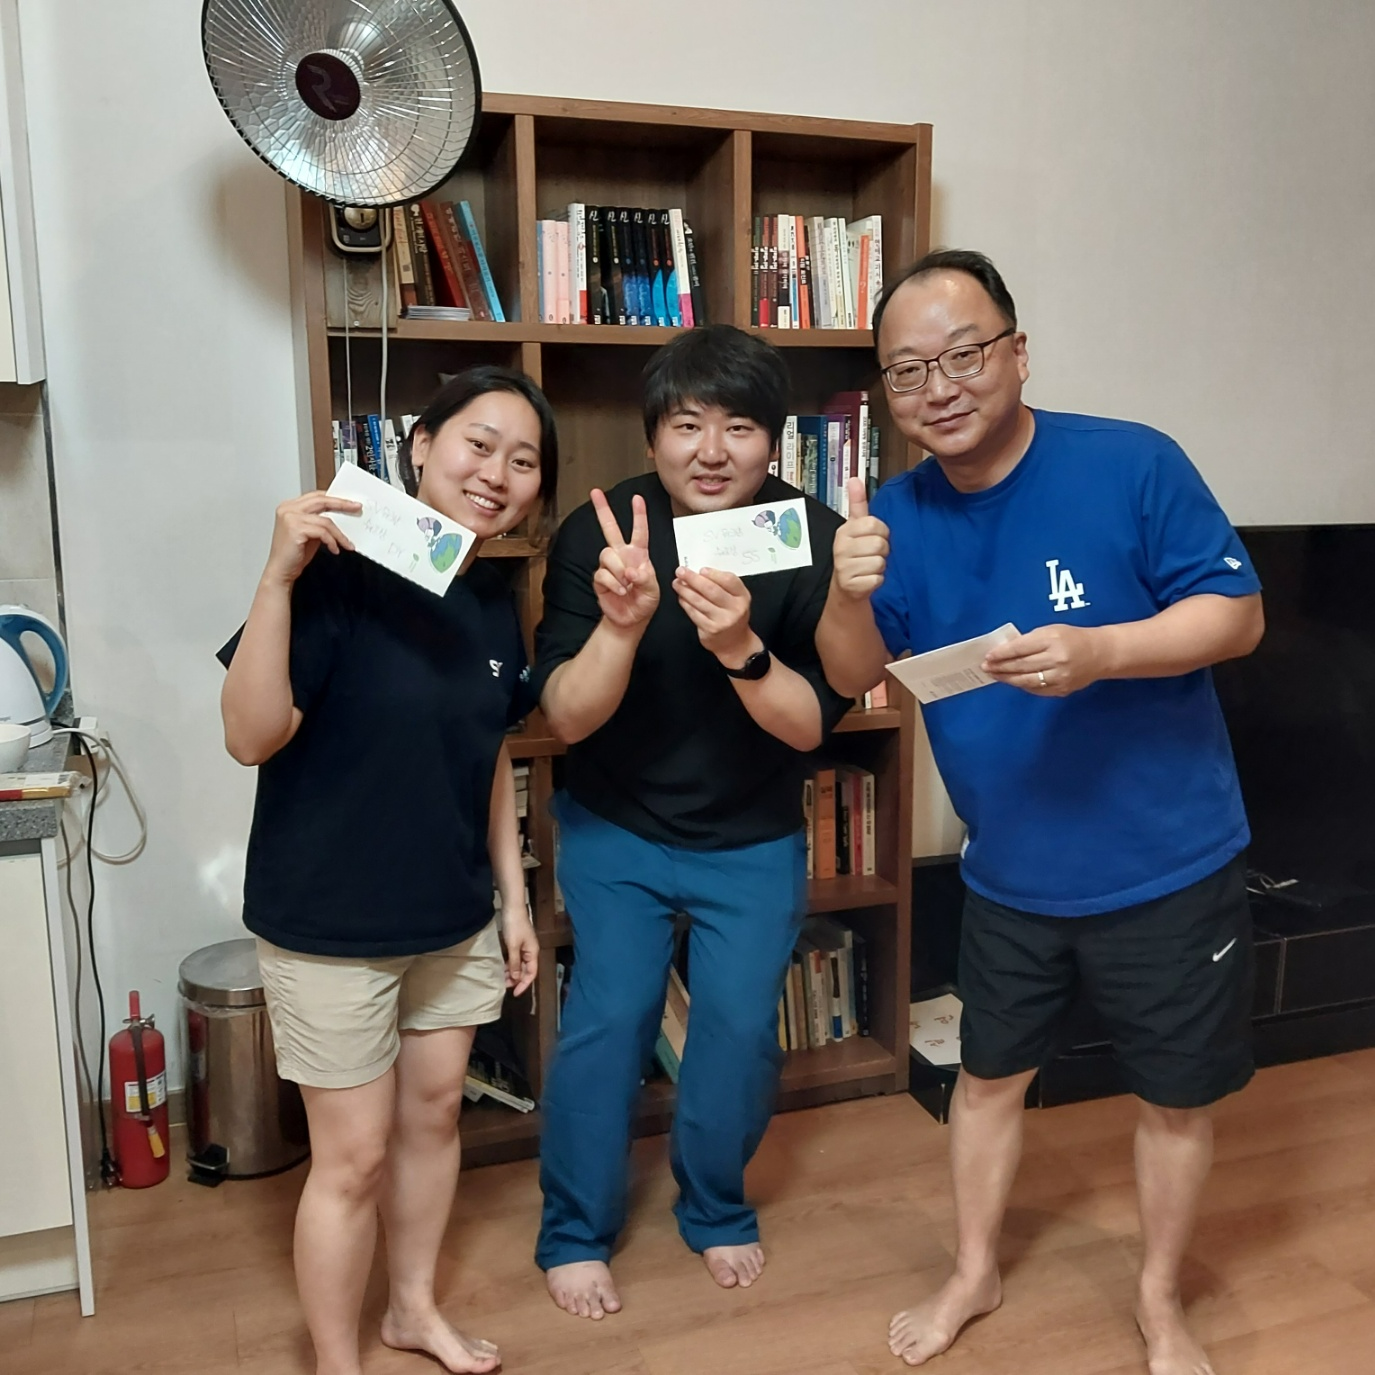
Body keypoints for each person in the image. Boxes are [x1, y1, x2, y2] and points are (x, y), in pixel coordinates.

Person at [816, 250, 1264, 1375]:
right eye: (908, 369)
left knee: (1174, 1097)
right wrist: (846, 588)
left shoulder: (1131, 461)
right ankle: (974, 1268)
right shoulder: (895, 517)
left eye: (963, 354)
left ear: (1017, 352)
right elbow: (847, 672)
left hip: (1167, 860)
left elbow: (1237, 613)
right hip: (1009, 869)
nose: (939, 387)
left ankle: (1159, 1300)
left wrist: (1105, 652)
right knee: (985, 1078)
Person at [218, 367, 558, 1375]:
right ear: (419, 446)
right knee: (353, 1155)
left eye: (524, 460)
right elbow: (249, 736)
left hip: (450, 913)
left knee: (434, 1117)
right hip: (329, 920)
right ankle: (337, 1360)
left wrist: (512, 898)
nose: (496, 473)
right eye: (477, 443)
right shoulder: (334, 573)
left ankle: (411, 1309)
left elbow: (488, 754)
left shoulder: (491, 596)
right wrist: (274, 577)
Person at [531, 324, 853, 1319]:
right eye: (686, 424)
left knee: (738, 1031)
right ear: (652, 435)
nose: (711, 451)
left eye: (739, 427)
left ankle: (714, 1206)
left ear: (774, 441)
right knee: (608, 1021)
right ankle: (574, 1230)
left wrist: (742, 645)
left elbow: (810, 723)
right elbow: (565, 717)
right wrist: (621, 623)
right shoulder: (598, 530)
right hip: (615, 826)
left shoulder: (810, 534)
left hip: (752, 834)